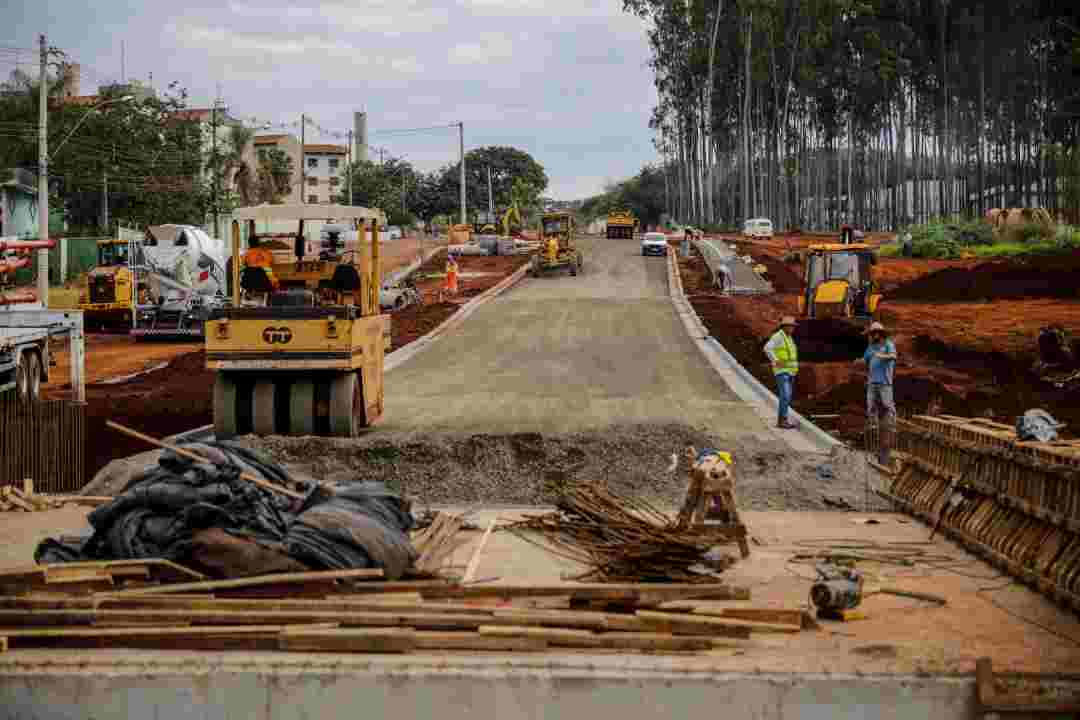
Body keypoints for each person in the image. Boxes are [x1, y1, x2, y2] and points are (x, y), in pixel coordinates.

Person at [855, 321, 898, 465]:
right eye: (873, 333)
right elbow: (865, 360)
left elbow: (893, 356)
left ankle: (891, 425)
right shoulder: (870, 347)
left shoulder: (888, 344)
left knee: (887, 407)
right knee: (871, 407)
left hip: (885, 383)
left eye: (877, 333)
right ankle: (872, 424)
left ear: (881, 334)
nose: (875, 335)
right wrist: (859, 361)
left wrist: (882, 356)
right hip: (872, 382)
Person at [764, 316, 799, 429]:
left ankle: (783, 419)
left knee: (786, 397)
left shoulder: (788, 338)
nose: (792, 329)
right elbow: (767, 348)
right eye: (790, 326)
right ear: (784, 327)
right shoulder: (778, 336)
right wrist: (776, 361)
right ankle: (782, 420)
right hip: (782, 371)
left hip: (789, 371)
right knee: (785, 395)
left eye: (793, 327)